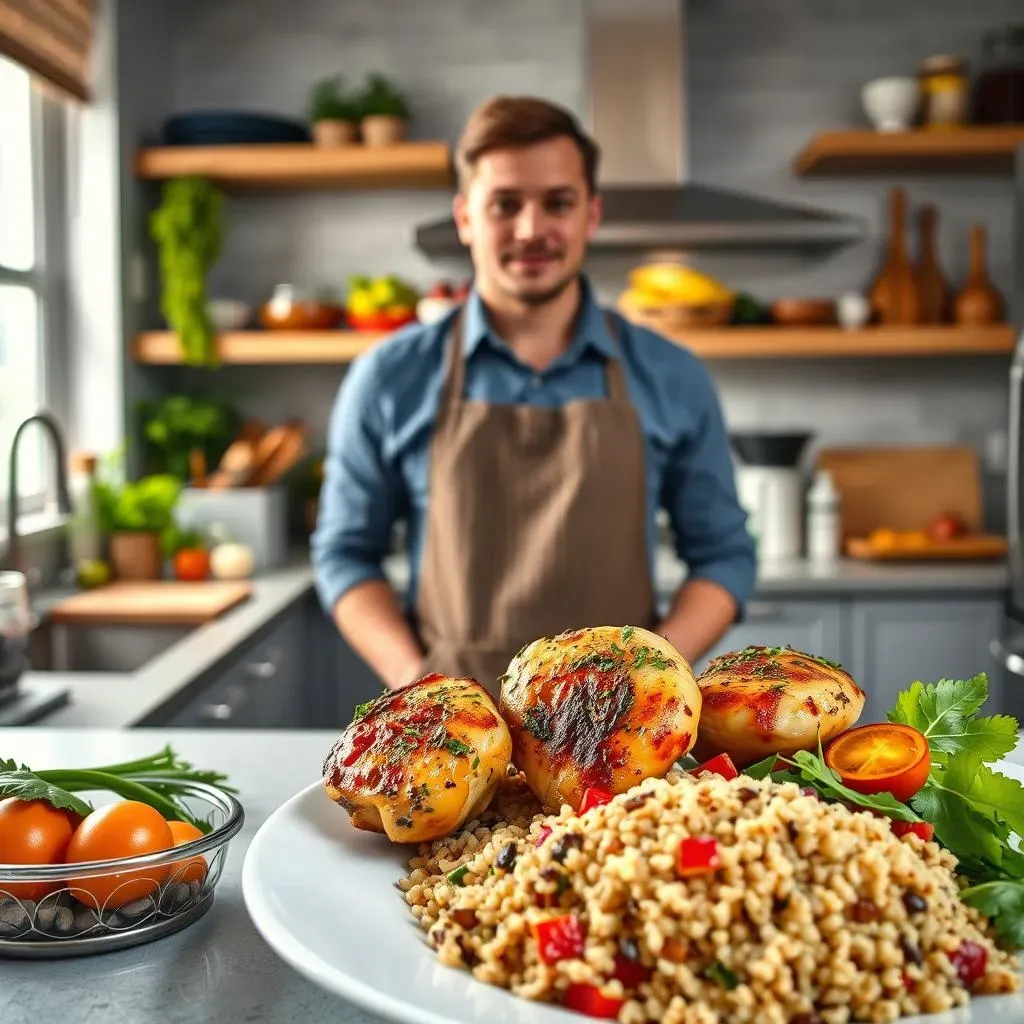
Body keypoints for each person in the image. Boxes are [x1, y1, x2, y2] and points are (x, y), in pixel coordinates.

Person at [312, 95, 756, 694]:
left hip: (620, 742)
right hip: (455, 738)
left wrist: (652, 681)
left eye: (557, 203)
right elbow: (345, 554)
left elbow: (724, 556)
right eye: (504, 205)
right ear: (465, 217)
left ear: (590, 215)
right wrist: (414, 680)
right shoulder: (388, 377)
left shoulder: (672, 375)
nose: (531, 229)